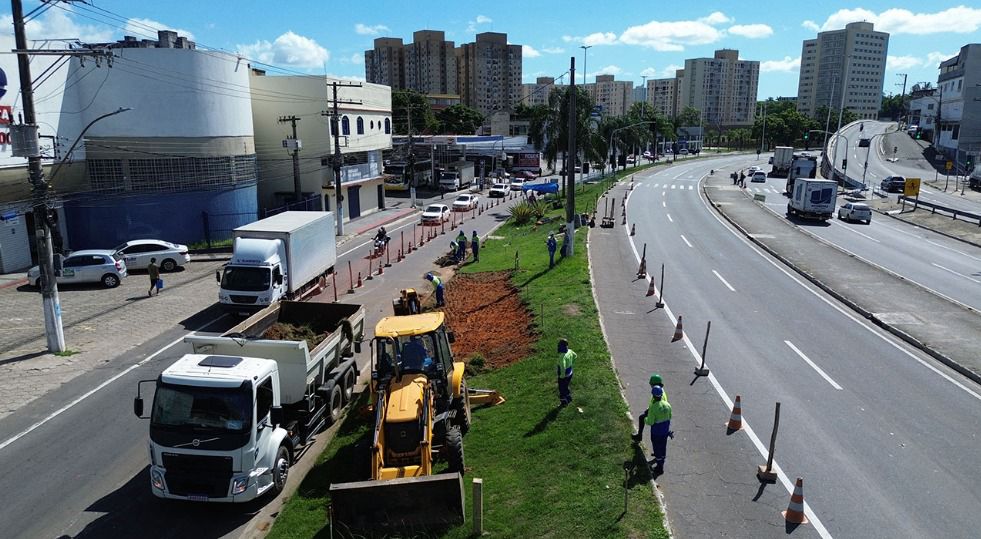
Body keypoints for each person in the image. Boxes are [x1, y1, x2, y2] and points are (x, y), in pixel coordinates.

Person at [644, 386, 673, 473]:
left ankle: (659, 467)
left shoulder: (653, 407)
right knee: (663, 447)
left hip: (656, 432)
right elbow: (670, 417)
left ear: (653, 396)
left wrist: (645, 417)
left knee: (656, 448)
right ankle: (662, 461)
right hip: (665, 431)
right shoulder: (668, 405)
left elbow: (650, 422)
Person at [633, 374, 667, 441]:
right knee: (642, 417)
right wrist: (648, 408)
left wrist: (649, 411)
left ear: (653, 384)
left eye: (651, 384)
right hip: (657, 410)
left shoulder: (657, 393)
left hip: (657, 412)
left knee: (642, 418)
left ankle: (639, 436)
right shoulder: (660, 390)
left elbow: (657, 403)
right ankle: (639, 436)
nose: (650, 386)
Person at [556, 338, 577, 406]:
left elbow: (563, 367)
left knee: (561, 388)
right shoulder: (570, 351)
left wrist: (562, 376)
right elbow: (575, 356)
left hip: (564, 375)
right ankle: (569, 397)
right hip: (570, 372)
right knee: (566, 385)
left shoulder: (562, 357)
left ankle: (564, 402)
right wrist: (571, 363)